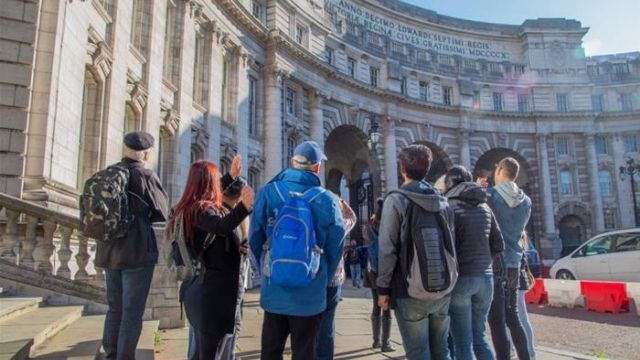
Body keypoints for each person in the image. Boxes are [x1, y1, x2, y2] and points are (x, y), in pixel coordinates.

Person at [250, 141, 346, 360]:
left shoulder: (268, 192)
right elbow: (336, 249)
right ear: (317, 168)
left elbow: (255, 239)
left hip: (274, 288)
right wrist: (322, 277)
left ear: (292, 162)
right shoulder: (328, 201)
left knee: (271, 352)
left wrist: (265, 271)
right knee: (305, 351)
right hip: (310, 293)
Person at [168, 158, 254, 360]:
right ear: (209, 184)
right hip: (211, 296)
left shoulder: (191, 207)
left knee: (205, 352)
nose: (219, 186)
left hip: (203, 292)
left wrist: (230, 176)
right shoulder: (201, 211)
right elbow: (221, 226)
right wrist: (244, 207)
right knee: (209, 353)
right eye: (215, 181)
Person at [376, 144, 455, 360]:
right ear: (427, 169)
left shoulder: (397, 199)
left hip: (409, 290)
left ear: (402, 169)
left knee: (418, 353)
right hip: (443, 288)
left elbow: (387, 249)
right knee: (442, 351)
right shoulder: (443, 202)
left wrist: (383, 288)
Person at [96, 131, 169, 360]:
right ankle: (124, 357)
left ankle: (111, 354)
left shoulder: (109, 173)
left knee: (114, 308)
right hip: (136, 252)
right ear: (146, 154)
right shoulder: (144, 175)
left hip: (109, 249)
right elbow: (162, 212)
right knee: (132, 312)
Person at [444, 165, 504, 360]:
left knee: (463, 342)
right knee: (479, 337)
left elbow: (447, 245)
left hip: (461, 278)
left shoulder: (448, 206)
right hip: (486, 279)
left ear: (449, 183)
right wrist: (485, 261)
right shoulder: (485, 206)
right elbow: (498, 243)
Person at [485, 157, 532, 360]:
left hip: (496, 263)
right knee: (513, 316)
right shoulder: (526, 201)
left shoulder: (492, 196)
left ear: (501, 169)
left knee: (496, 319)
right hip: (514, 262)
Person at [315, 199, 357, 360]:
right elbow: (352, 217)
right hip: (334, 279)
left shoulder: (314, 222)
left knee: (310, 320)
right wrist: (342, 202)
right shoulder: (341, 224)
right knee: (327, 323)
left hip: (314, 277)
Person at [363, 198, 396, 353]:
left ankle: (376, 341)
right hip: (385, 271)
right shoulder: (389, 227)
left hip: (371, 271)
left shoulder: (370, 227)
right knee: (386, 307)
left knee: (376, 304)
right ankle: (386, 343)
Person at [517, 232, 536, 360]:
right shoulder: (521, 237)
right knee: (520, 318)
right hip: (520, 279)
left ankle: (530, 352)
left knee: (520, 318)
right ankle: (529, 351)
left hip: (516, 281)